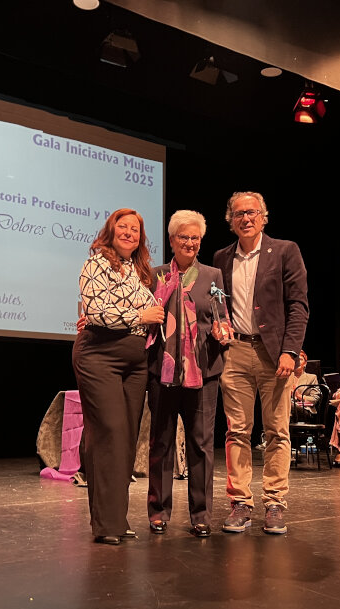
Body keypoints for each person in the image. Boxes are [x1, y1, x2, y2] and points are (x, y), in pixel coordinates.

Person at [213, 191, 308, 535]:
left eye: (252, 212)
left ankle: (275, 503)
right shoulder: (221, 258)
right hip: (235, 352)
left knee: (276, 432)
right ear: (231, 220)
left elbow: (298, 306)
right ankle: (241, 502)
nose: (246, 218)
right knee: (237, 430)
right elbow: (217, 307)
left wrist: (291, 350)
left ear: (264, 216)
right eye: (238, 214)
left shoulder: (285, 251)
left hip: (275, 353)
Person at [71, 208, 164, 545]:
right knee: (108, 432)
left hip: (135, 361)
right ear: (110, 231)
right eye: (122, 227)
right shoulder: (95, 263)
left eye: (135, 229)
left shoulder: (142, 272)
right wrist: (141, 314)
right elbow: (94, 311)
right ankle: (105, 524)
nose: (128, 233)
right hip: (99, 356)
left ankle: (117, 518)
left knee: (125, 438)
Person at [146, 210, 226, 538]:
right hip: (161, 371)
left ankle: (201, 514)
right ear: (172, 240)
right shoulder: (155, 275)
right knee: (161, 442)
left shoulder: (212, 275)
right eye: (184, 237)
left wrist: (224, 329)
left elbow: (222, 316)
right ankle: (158, 511)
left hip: (203, 372)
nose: (190, 243)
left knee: (201, 445)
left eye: (195, 238)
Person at [291, 350, 321, 423]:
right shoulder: (286, 378)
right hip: (287, 410)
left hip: (305, 410)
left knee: (288, 406)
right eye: (295, 360)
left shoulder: (311, 378)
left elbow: (314, 399)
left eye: (300, 359)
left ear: (305, 363)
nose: (297, 362)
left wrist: (298, 396)